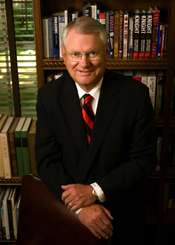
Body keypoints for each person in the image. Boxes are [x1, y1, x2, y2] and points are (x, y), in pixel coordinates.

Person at [36, 16, 156, 245]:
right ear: (64, 55)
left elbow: (144, 160)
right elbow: (46, 162)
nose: (84, 63)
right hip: (67, 214)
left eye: (92, 53)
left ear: (106, 53)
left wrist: (93, 192)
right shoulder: (49, 96)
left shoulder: (135, 96)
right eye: (75, 54)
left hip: (120, 214)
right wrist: (80, 209)